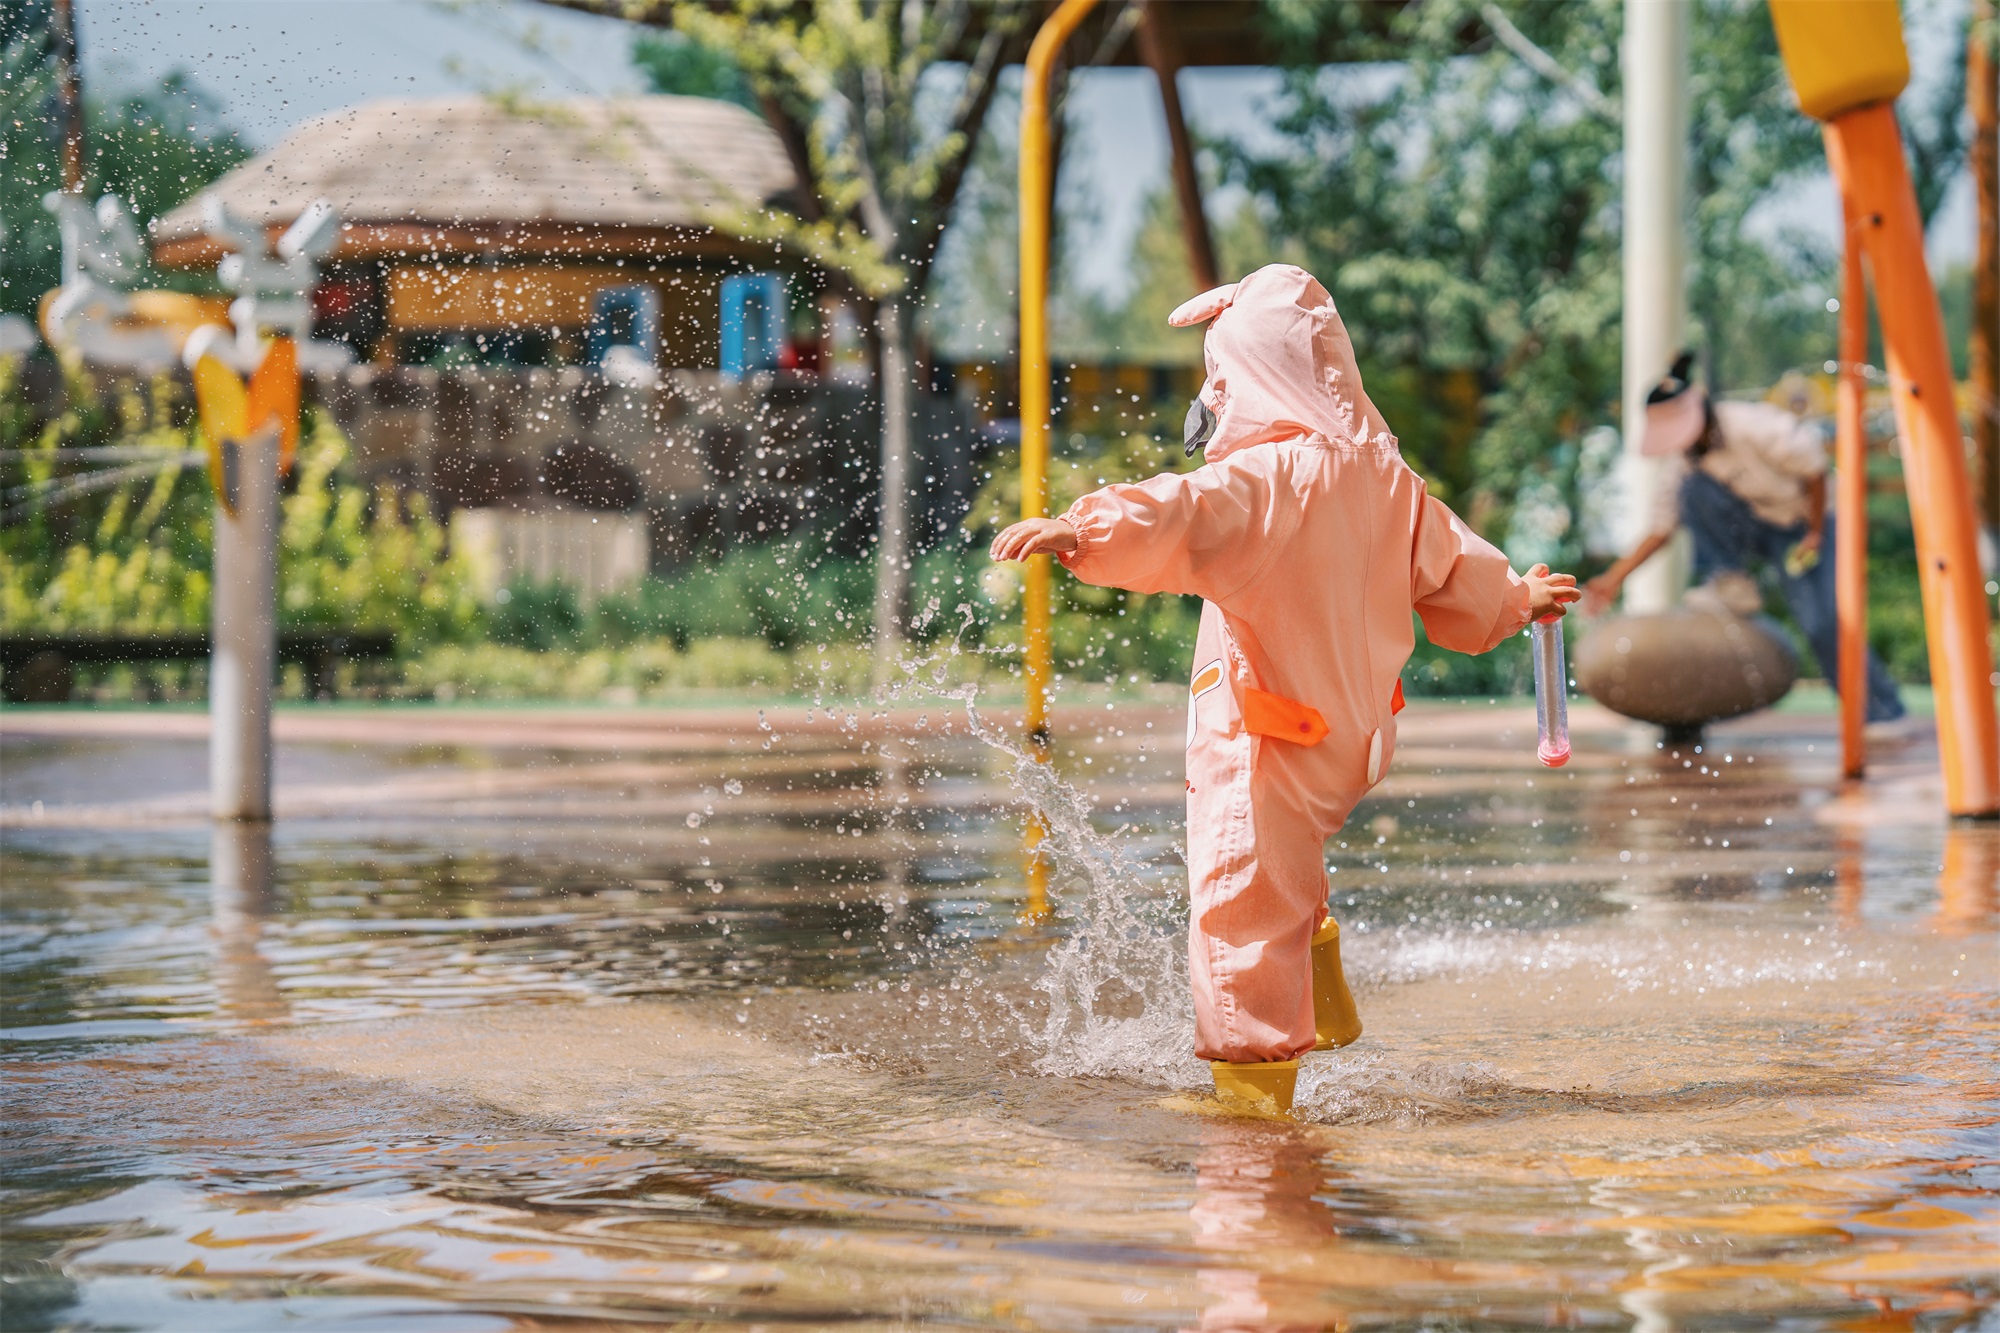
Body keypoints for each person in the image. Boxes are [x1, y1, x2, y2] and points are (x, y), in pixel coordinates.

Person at [990, 265, 1578, 1117]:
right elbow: (1455, 572)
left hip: (1263, 733)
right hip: (1350, 738)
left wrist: (1081, 528)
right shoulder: (1387, 478)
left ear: (1239, 377)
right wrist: (1519, 597)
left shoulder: (1270, 481)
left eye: (1214, 382)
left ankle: (1251, 1100)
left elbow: (1181, 512)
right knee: (1289, 858)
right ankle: (1326, 1006)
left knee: (1239, 900)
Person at [1583, 354, 1904, 723]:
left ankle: (1882, 713)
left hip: (1803, 525)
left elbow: (1814, 469)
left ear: (1702, 411)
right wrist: (1613, 579)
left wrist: (1815, 533)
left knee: (1823, 623)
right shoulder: (1686, 464)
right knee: (1693, 491)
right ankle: (1730, 580)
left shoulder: (1751, 426)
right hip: (1754, 527)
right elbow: (1661, 529)